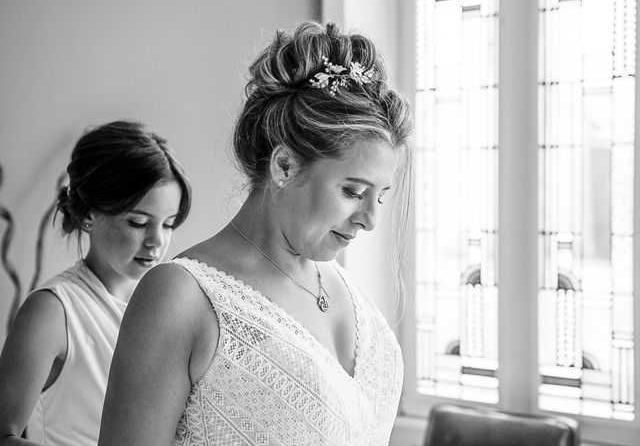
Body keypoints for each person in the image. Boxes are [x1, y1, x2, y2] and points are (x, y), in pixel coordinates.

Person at [99, 22, 413, 446]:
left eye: (382, 196)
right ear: (284, 166)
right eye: (353, 191)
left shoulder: (346, 289)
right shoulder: (180, 297)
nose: (369, 219)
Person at [0, 121, 192, 446]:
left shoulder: (173, 301)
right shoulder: (52, 312)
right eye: (138, 222)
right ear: (89, 214)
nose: (156, 242)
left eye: (169, 224)